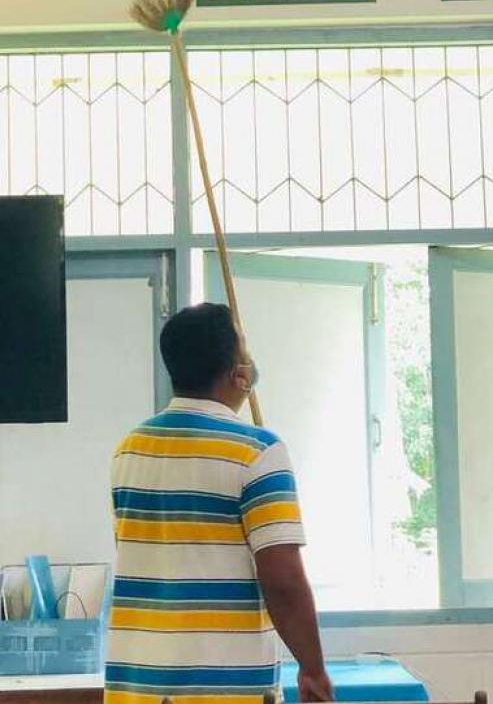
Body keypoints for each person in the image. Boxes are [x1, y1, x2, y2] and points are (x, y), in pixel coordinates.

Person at [105, 302, 333, 704]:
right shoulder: (258, 452)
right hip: (225, 690)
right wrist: (312, 668)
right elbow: (283, 581)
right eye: (245, 347)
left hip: (137, 688)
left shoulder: (129, 451)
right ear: (236, 371)